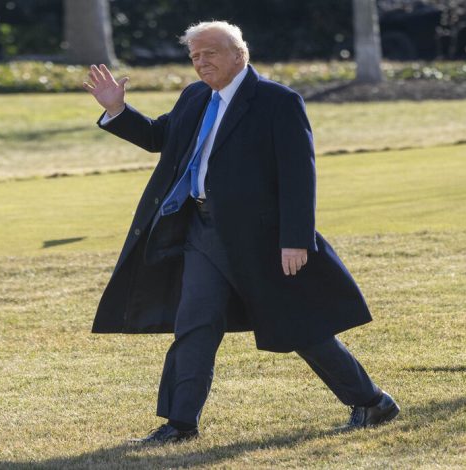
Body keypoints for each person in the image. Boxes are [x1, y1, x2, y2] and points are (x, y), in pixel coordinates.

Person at [82, 21, 399, 444]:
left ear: (239, 54)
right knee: (194, 324)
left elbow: (298, 175)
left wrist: (295, 240)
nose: (201, 62)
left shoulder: (277, 101)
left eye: (210, 53)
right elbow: (161, 137)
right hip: (201, 232)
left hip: (261, 241)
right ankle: (181, 423)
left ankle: (373, 401)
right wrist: (118, 110)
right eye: (195, 56)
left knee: (298, 327)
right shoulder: (195, 96)